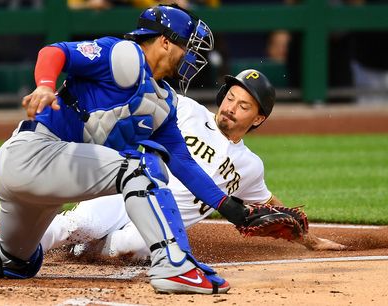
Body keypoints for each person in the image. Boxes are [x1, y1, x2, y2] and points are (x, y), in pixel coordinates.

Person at [0, 4, 255, 295]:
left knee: (15, 259)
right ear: (166, 42)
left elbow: (184, 163)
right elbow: (55, 52)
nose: (190, 56)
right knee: (141, 167)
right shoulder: (122, 55)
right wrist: (45, 85)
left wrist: (231, 208)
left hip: (49, 178)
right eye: (186, 47)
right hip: (33, 152)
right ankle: (173, 266)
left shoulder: (163, 102)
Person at [41, 69, 347, 261]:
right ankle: (7, 249)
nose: (230, 108)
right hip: (128, 191)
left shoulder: (250, 166)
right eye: (230, 97)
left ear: (258, 119)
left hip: (160, 225)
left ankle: (86, 249)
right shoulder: (187, 110)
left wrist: (311, 241)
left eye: (243, 106)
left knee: (129, 247)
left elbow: (270, 208)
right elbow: (149, 88)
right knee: (78, 225)